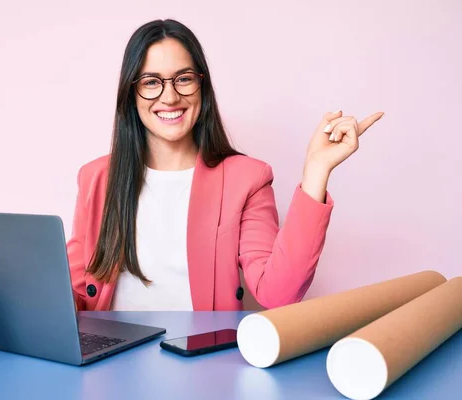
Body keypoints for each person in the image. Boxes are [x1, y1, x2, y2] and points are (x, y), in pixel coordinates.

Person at [66, 19, 383, 312]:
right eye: (151, 82)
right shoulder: (95, 178)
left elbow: (279, 293)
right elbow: (75, 295)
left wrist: (316, 170)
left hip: (202, 361)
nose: (170, 96)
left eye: (184, 79)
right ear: (131, 93)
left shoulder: (247, 179)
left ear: (202, 87)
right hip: (113, 364)